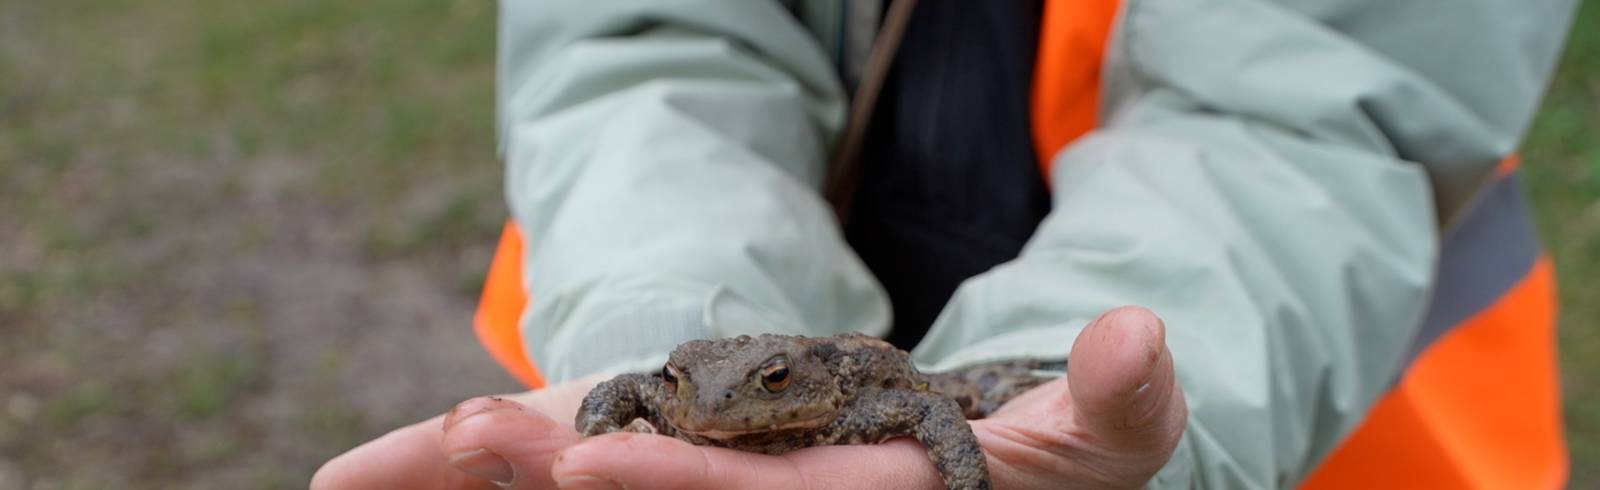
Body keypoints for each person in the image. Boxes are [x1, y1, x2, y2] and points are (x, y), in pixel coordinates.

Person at [313, 1, 1577, 488]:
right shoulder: (681, 391)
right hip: (743, 309)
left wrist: (992, 443)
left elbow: (1309, 109)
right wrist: (648, 331)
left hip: (1298, 416)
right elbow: (643, 44)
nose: (709, 407)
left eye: (758, 390)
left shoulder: (852, 397)